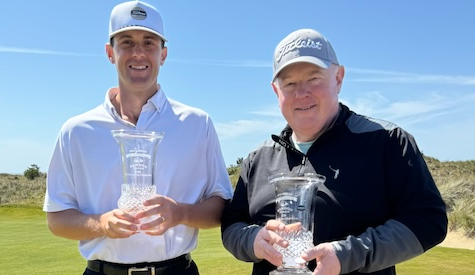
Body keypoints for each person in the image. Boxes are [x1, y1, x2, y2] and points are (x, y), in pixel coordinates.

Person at [220, 28, 448, 275]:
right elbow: (232, 225)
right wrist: (253, 240)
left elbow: (427, 221)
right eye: (289, 83)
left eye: (314, 78)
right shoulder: (258, 158)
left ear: (338, 78)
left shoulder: (386, 141)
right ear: (277, 91)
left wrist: (347, 254)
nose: (301, 93)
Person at [43, 1, 233, 274]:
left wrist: (180, 213)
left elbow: (221, 205)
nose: (138, 53)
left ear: (163, 54)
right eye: (127, 42)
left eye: (149, 43)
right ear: (110, 52)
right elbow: (57, 219)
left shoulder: (197, 123)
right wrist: (101, 224)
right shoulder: (76, 131)